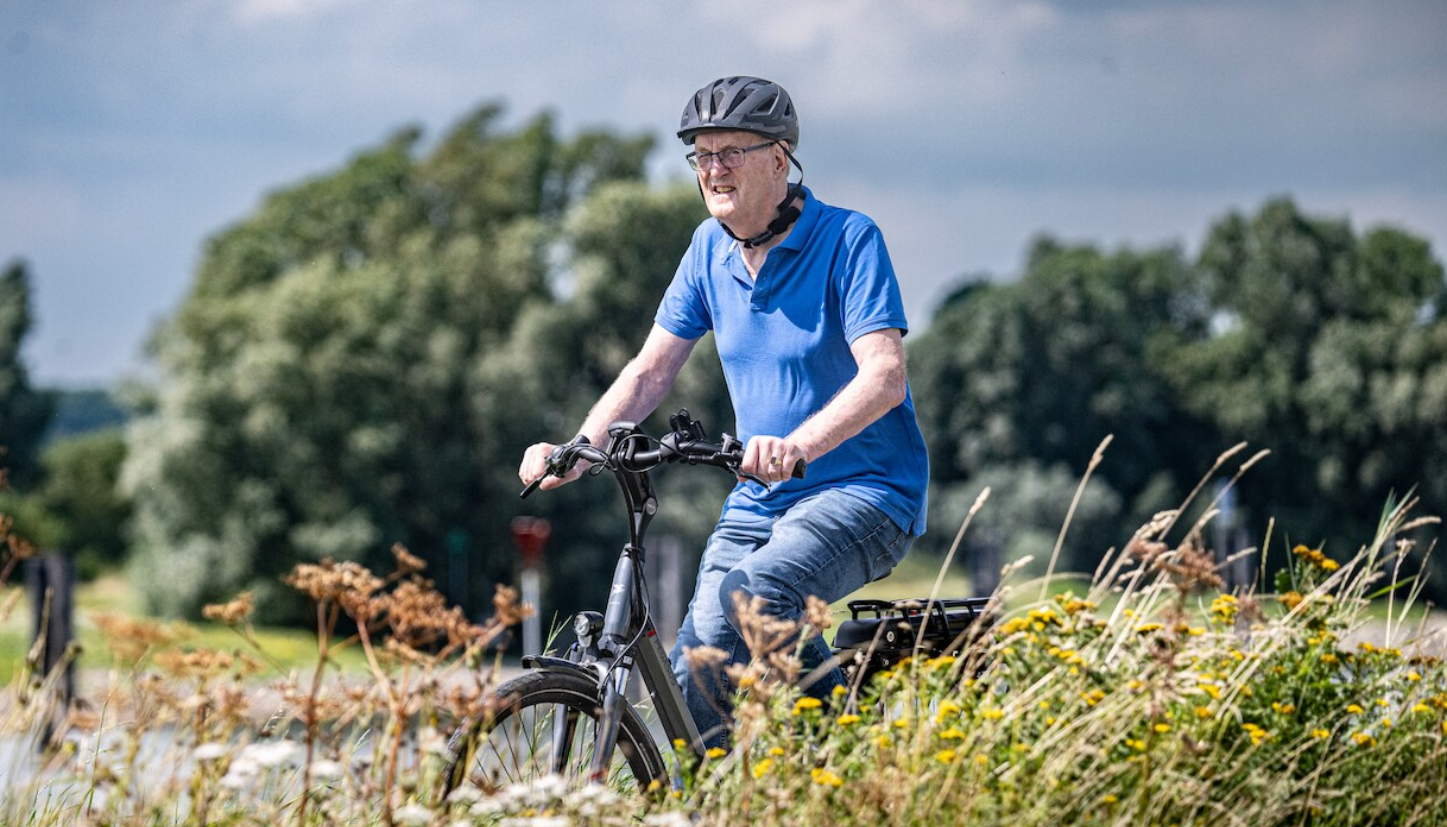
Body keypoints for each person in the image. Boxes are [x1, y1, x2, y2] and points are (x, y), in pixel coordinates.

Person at [518, 75, 929, 747]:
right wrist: (577, 447)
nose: (713, 169)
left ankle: (851, 757)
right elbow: (650, 370)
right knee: (699, 671)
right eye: (702, 155)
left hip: (866, 491)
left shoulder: (848, 239)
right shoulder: (708, 249)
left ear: (779, 158)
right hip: (758, 499)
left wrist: (798, 445)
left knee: (756, 593)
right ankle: (720, 794)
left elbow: (883, 377)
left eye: (731, 152)